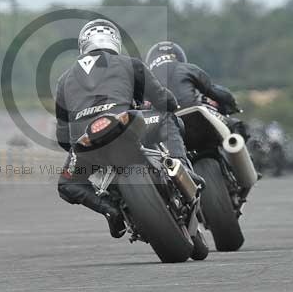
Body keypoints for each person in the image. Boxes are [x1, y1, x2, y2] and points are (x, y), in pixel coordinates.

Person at [54, 19, 196, 238]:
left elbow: (63, 136)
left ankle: (110, 210)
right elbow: (163, 100)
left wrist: (80, 149)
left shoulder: (64, 80)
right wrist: (169, 103)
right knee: (168, 117)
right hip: (124, 123)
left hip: (86, 139)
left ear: (83, 45)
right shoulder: (130, 64)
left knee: (67, 184)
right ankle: (182, 167)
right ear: (115, 41)